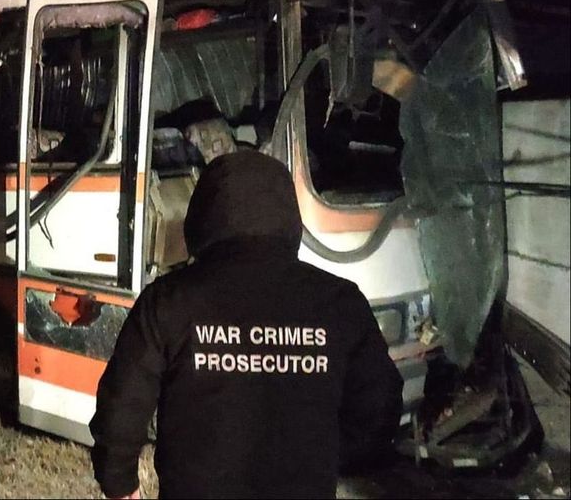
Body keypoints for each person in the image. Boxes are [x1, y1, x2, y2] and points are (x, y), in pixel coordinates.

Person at [90, 151, 402, 499]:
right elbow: (380, 405)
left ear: (204, 215)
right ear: (288, 215)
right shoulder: (340, 303)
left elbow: (122, 404)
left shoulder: (168, 300)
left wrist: (118, 481)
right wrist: (324, 459)